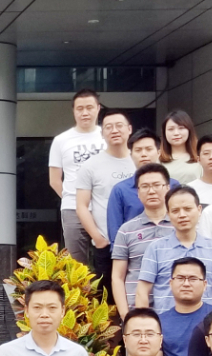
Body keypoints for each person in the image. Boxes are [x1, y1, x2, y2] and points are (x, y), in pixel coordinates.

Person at [136, 186, 212, 313]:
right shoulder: (156, 248)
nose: (182, 215)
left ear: (199, 210)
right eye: (175, 211)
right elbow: (142, 292)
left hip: (206, 322)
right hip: (165, 322)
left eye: (187, 209)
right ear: (168, 214)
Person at [71, 109, 138, 270]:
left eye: (119, 125)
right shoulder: (90, 165)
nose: (114, 130)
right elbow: (81, 206)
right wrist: (98, 239)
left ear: (129, 129)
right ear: (102, 133)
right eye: (108, 127)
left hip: (141, 240)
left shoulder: (140, 161)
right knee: (106, 286)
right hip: (106, 244)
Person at [50, 89, 107, 270]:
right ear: (73, 111)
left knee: (108, 258)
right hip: (72, 208)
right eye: (80, 108)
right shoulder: (61, 140)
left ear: (98, 108)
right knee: (76, 265)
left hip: (105, 206)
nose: (85, 113)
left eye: (89, 107)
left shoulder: (108, 136)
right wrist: (74, 201)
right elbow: (54, 180)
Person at [110, 164, 173, 317]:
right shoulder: (126, 230)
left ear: (168, 188)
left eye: (157, 185)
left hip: (173, 310)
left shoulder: (181, 226)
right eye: (145, 186)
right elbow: (117, 277)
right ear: (138, 192)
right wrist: (125, 315)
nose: (151, 191)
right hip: (136, 311)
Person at [103, 130, 165, 244]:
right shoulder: (120, 190)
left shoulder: (174, 186)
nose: (144, 154)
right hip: (133, 251)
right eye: (138, 150)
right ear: (131, 155)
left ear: (159, 152)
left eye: (149, 149)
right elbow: (115, 231)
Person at [157, 258, 212, 356]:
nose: (186, 284)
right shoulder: (159, 322)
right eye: (180, 278)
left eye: (193, 279)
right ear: (171, 283)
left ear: (204, 284)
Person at [159, 109, 201, 185]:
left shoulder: (201, 157)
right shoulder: (157, 160)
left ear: (189, 130)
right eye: (171, 129)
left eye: (181, 128)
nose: (176, 133)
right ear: (164, 133)